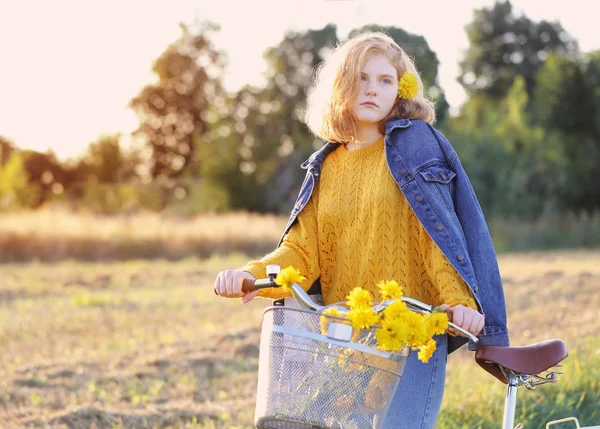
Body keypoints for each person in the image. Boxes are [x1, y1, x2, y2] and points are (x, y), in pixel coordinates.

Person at [214, 32, 509, 429]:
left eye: (385, 80)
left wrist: (462, 303)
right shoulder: (326, 166)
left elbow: (436, 233)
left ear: (400, 89)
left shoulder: (416, 145)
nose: (373, 90)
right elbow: (301, 252)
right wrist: (251, 275)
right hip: (343, 338)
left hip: (412, 332)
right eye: (362, 79)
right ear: (342, 86)